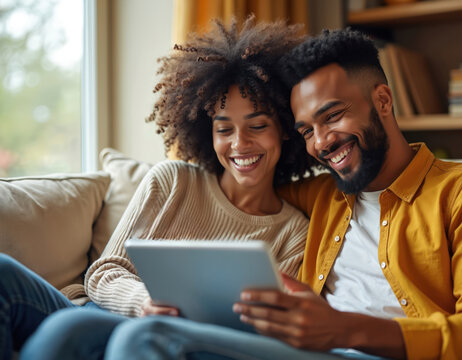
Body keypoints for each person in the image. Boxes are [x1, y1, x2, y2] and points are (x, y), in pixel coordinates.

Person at [94, 28, 462, 360]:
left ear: (382, 100)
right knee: (73, 330)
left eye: (333, 116)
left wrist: (344, 329)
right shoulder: (319, 195)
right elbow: (246, 183)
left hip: (367, 351)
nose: (321, 143)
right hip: (300, 351)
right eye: (306, 130)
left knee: (144, 338)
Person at [15, 16, 320, 360]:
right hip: (110, 313)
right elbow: (103, 273)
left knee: (68, 330)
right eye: (224, 130)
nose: (240, 144)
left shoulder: (295, 233)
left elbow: (269, 332)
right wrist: (144, 302)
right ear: (208, 133)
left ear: (284, 129)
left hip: (166, 342)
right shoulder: (173, 180)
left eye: (258, 125)